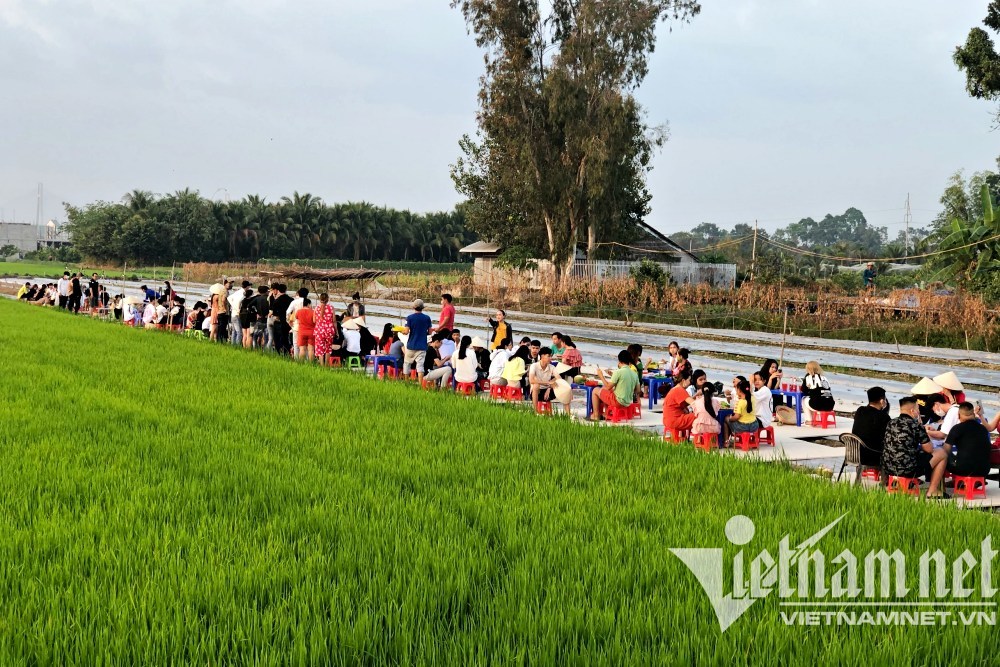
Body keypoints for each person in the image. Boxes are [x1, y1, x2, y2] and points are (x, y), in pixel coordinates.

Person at [882, 396, 948, 499]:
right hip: (907, 469)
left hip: (888, 467)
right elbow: (929, 449)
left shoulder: (891, 422)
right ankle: (932, 491)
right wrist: (921, 426)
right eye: (918, 409)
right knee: (941, 453)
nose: (919, 412)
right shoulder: (915, 425)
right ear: (912, 411)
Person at [945, 402, 992, 479]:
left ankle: (938, 486)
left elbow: (946, 449)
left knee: (943, 454)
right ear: (973, 414)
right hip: (984, 470)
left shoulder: (957, 428)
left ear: (958, 415)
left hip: (964, 470)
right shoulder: (983, 428)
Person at [590, 350, 641, 421]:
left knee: (595, 390)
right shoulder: (634, 374)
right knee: (607, 390)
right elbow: (638, 390)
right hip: (628, 402)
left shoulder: (618, 372)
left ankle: (596, 415)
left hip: (618, 402)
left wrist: (601, 376)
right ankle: (607, 413)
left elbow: (608, 387)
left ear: (619, 360)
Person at [852, 387, 891, 468]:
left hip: (855, 453)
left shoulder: (860, 410)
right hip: (873, 456)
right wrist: (885, 411)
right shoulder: (883, 417)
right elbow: (887, 437)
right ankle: (885, 480)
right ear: (881, 401)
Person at [401, 299, 432, 381]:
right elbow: (429, 332)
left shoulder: (410, 318)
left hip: (411, 345)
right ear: (423, 308)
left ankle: (406, 382)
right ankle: (420, 384)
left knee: (407, 363)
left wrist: (401, 331)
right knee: (420, 366)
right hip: (422, 346)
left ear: (413, 307)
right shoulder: (427, 318)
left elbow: (406, 331)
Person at [724, 380, 759, 444]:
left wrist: (730, 418)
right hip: (754, 425)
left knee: (726, 419)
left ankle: (726, 441)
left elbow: (736, 417)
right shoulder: (753, 397)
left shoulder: (741, 402)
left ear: (739, 390)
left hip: (743, 427)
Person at [662, 369, 697, 435]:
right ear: (683, 380)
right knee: (701, 416)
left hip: (669, 420)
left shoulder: (675, 389)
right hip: (675, 420)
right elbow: (694, 403)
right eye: (689, 380)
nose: (690, 383)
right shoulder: (679, 390)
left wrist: (696, 395)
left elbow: (686, 402)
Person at [270, 284, 293, 354]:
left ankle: (279, 353)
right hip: (288, 322)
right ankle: (286, 352)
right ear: (286, 290)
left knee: (277, 339)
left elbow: (274, 313)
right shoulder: (291, 300)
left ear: (278, 290)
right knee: (286, 338)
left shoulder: (277, 300)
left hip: (279, 322)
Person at [314, 293, 337, 362]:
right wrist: (337, 332)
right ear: (328, 299)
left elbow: (314, 320)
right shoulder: (331, 307)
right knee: (328, 348)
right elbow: (334, 321)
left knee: (320, 348)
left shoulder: (316, 308)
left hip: (319, 330)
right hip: (329, 330)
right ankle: (327, 365)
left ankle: (321, 365)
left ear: (320, 299)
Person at [229, 280, 252, 345]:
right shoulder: (243, 293)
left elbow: (229, 298)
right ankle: (237, 346)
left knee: (234, 331)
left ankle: (233, 345)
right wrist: (237, 309)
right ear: (247, 286)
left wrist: (233, 307)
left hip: (233, 313)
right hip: (236, 314)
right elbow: (239, 301)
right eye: (249, 286)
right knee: (239, 332)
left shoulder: (238, 291)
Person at [293, 297, 316, 362]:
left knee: (302, 349)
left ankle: (300, 363)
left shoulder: (299, 311)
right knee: (311, 349)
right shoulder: (313, 312)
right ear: (308, 304)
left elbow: (296, 319)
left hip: (302, 332)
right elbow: (315, 321)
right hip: (311, 332)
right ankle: (311, 364)